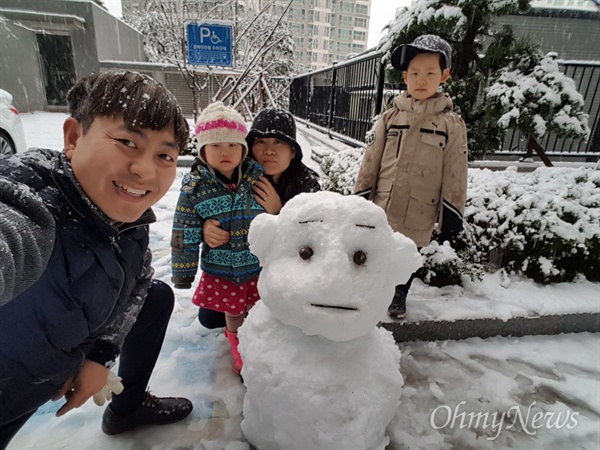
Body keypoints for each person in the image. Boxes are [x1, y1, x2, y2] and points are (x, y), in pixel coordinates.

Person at [0, 70, 193, 448]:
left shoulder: (124, 218)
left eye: (165, 155)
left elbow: (137, 280)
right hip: (11, 391)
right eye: (126, 142)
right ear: (73, 137)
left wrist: (100, 355)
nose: (145, 170)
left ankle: (128, 408)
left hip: (42, 374)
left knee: (155, 296)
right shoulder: (31, 206)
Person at [354, 35, 468, 319]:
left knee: (407, 254)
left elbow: (456, 169)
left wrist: (452, 214)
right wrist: (360, 197)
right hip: (384, 202)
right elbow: (371, 160)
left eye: (430, 73)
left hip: (421, 206)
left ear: (444, 75)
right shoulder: (390, 118)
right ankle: (373, 289)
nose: (421, 79)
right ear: (405, 77)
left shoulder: (451, 124)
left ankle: (400, 292)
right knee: (377, 249)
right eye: (414, 73)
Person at [198, 108, 321, 329]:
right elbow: (199, 201)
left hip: (284, 271)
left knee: (276, 318)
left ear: (292, 151)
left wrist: (279, 213)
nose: (269, 151)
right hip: (239, 269)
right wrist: (206, 225)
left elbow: (313, 242)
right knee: (210, 318)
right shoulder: (234, 175)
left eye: (278, 142)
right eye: (261, 141)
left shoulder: (307, 186)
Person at [170, 102, 265, 376]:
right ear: (202, 151)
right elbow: (182, 230)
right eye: (216, 146)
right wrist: (183, 271)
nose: (225, 152)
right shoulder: (195, 188)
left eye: (233, 145)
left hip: (255, 267)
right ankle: (237, 348)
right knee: (234, 313)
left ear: (243, 150)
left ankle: (257, 345)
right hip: (222, 271)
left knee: (255, 311)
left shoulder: (257, 179)